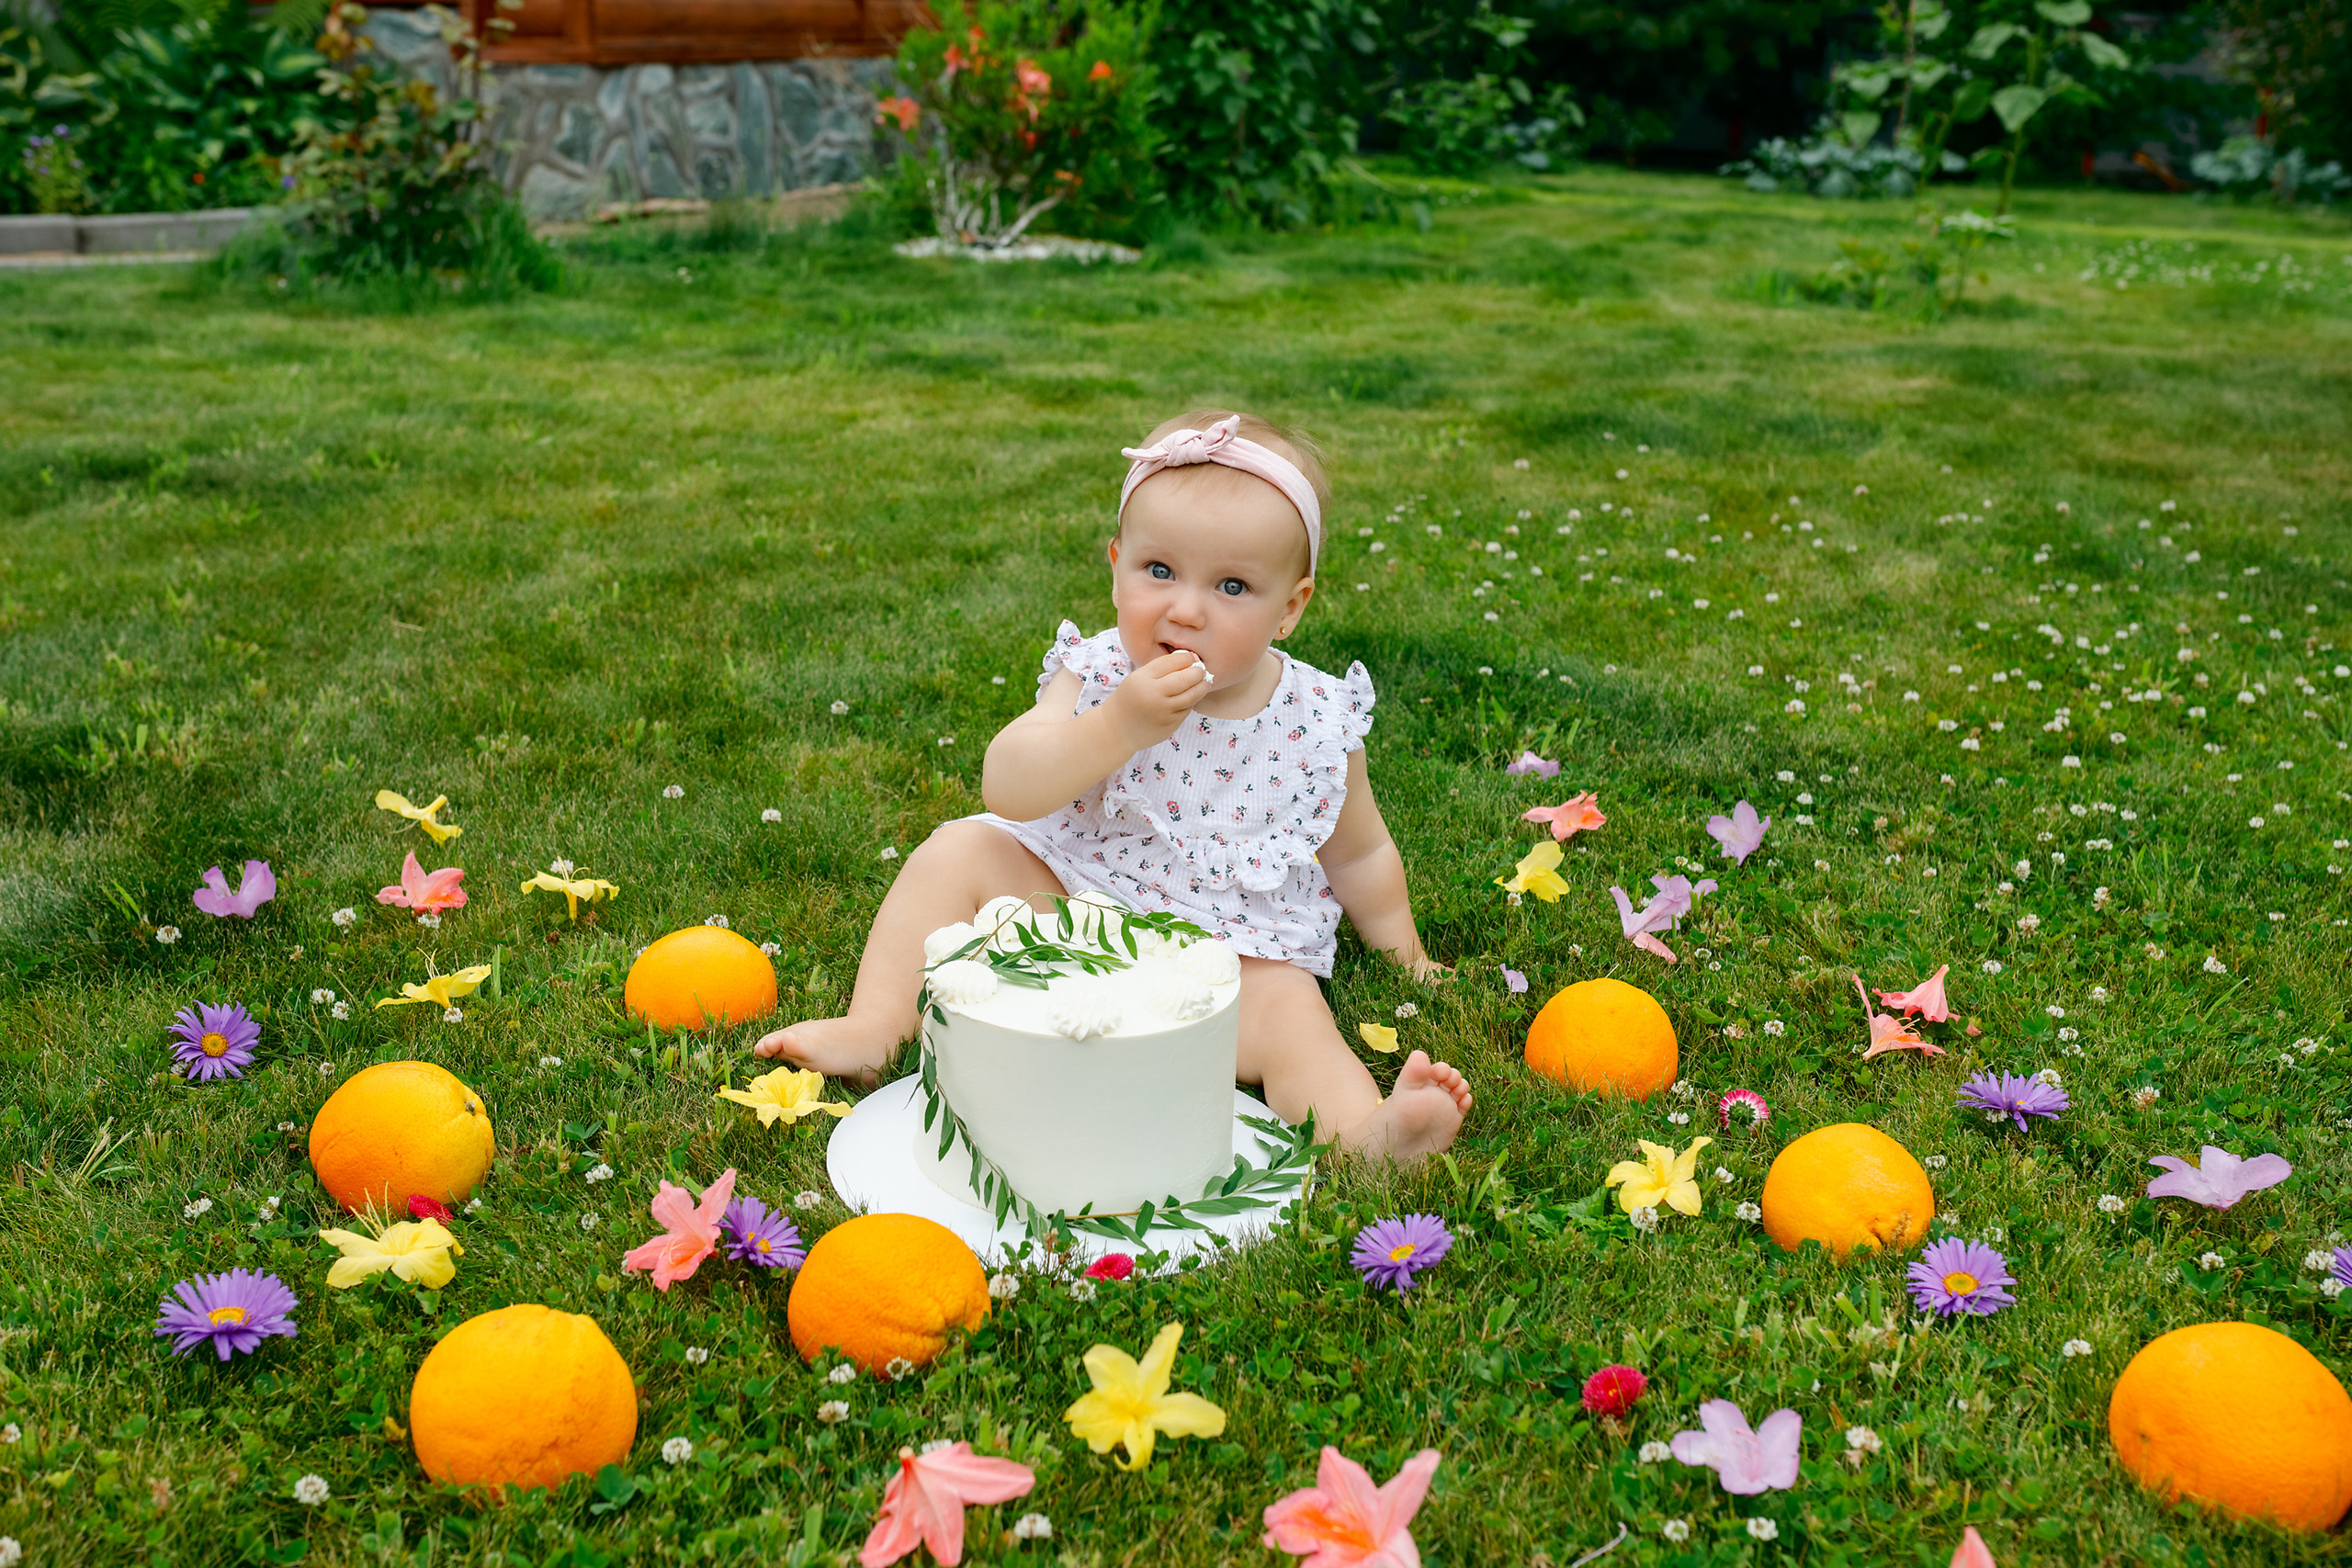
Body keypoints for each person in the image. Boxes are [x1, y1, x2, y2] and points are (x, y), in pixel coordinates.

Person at [757, 409, 1471, 1160]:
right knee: (957, 848)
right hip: (1071, 917)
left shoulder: (1315, 719)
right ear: (1116, 564)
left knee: (1293, 1016)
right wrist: (1115, 727)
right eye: (1158, 571)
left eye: (1232, 586)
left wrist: (1409, 957)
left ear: (1289, 608)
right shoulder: (1097, 670)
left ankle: (1364, 1134)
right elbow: (1007, 783)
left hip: (1228, 956)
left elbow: (1358, 855)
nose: (1185, 609)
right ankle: (875, 1025)